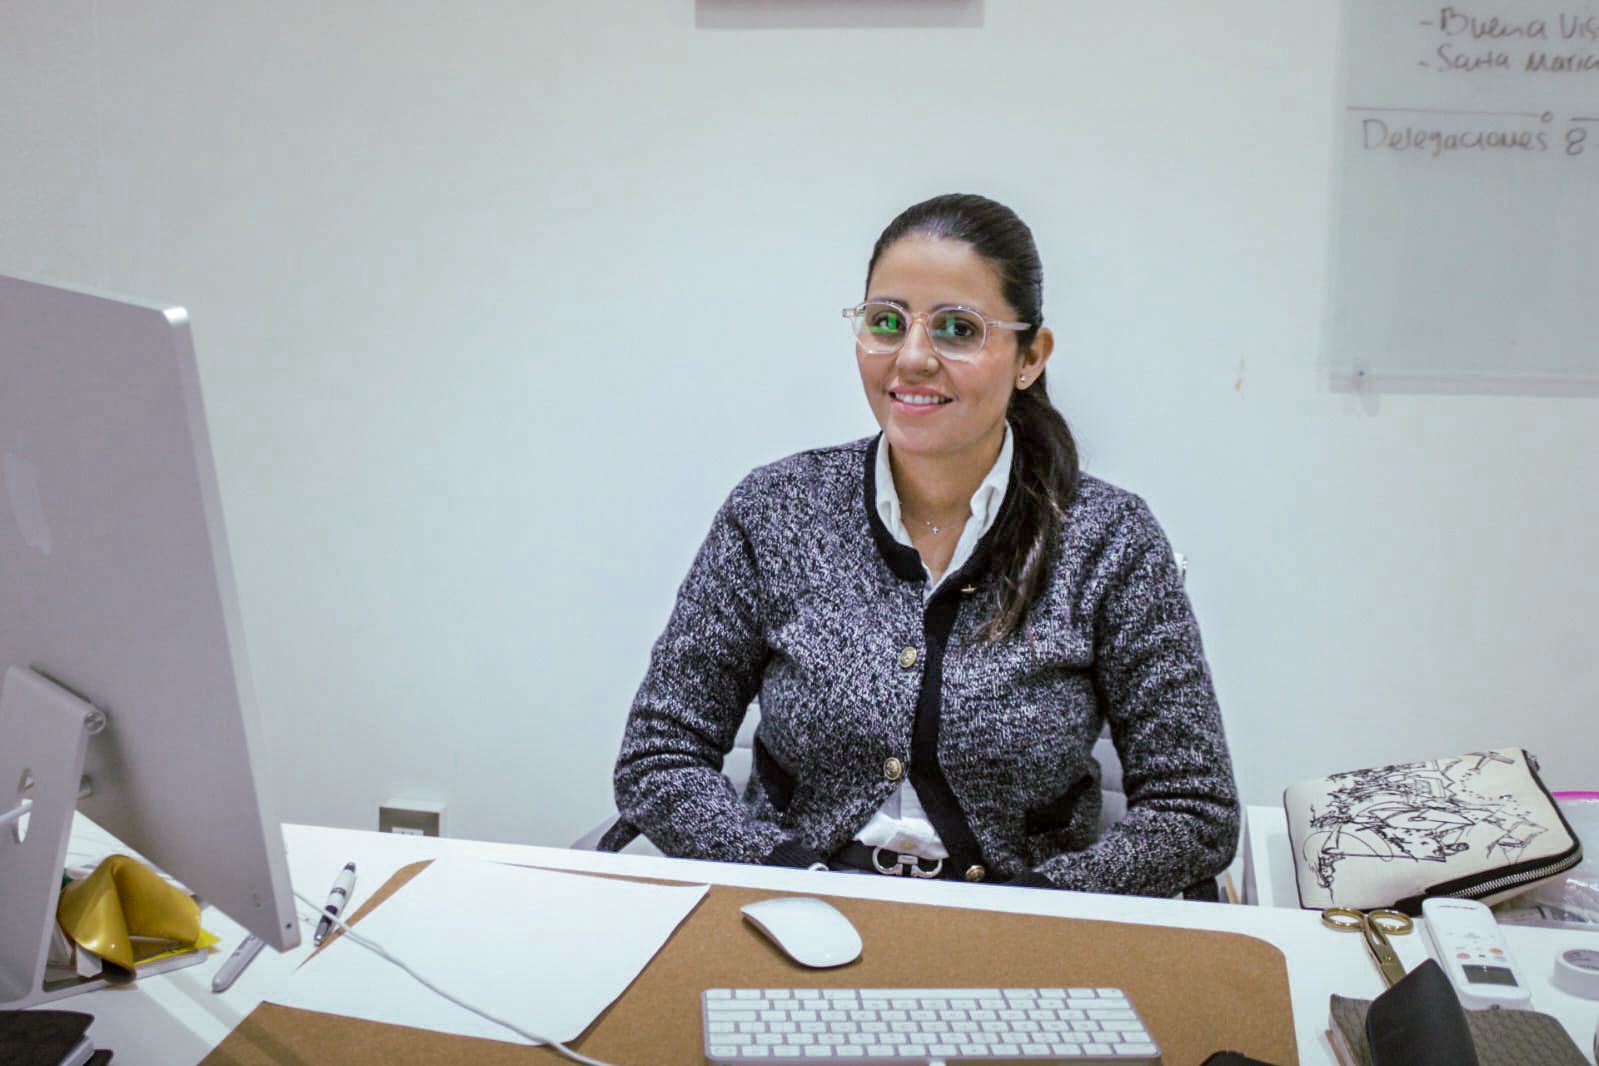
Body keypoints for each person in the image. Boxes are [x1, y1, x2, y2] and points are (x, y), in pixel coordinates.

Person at [606, 193, 1239, 896]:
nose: (911, 358)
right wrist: (784, 877)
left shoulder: (1108, 538)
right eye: (886, 322)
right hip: (790, 909)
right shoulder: (774, 510)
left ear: (1030, 357)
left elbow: (1195, 810)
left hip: (1027, 923)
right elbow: (659, 757)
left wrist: (1041, 908)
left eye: (957, 329)